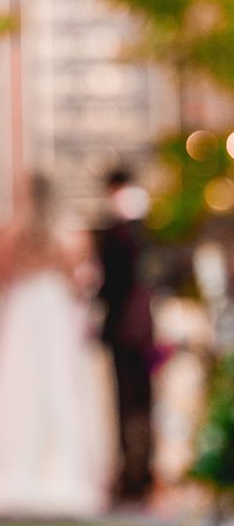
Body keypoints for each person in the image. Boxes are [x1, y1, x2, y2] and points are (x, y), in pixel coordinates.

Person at [0, 174, 111, 518]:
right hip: (52, 310)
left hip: (22, 310)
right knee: (57, 389)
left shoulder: (8, 233)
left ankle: (9, 468)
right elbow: (76, 280)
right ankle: (59, 472)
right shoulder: (69, 235)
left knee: (16, 388)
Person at [95, 167, 155, 503]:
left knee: (130, 402)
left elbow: (114, 284)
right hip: (143, 327)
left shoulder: (120, 233)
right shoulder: (145, 229)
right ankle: (139, 469)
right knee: (141, 402)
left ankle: (134, 473)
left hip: (126, 329)